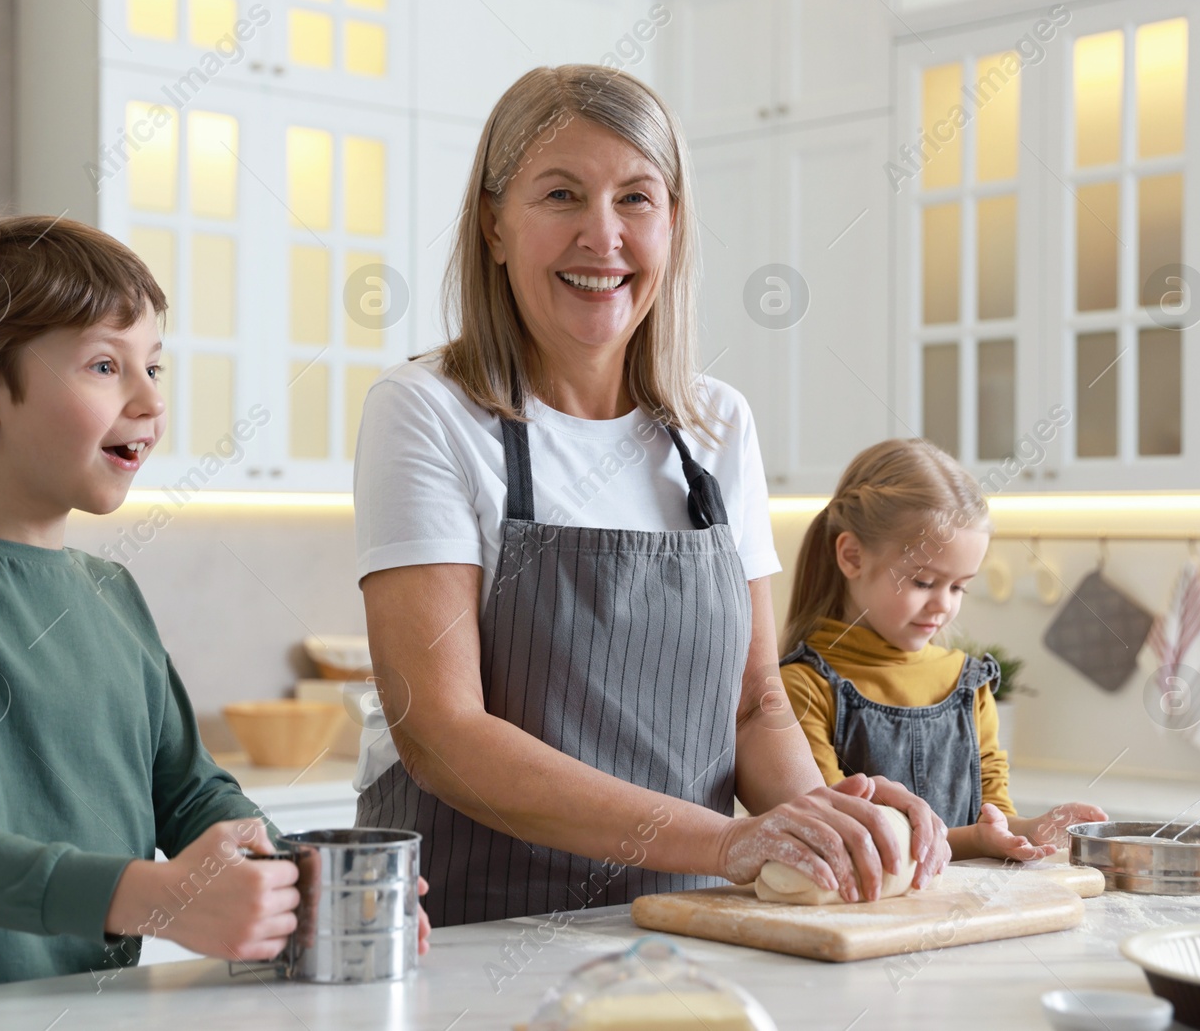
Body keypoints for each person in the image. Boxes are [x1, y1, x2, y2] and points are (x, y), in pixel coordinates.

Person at [351, 65, 951, 927]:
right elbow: (442, 732)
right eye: (561, 194)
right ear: (493, 225)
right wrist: (724, 844)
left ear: (672, 224)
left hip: (691, 936)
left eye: (637, 198)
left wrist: (825, 824)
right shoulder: (428, 411)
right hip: (481, 937)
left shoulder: (715, 425)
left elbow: (754, 704)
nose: (604, 236)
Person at [0, 214, 338, 1002]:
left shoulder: (112, 593)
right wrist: (157, 896)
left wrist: (315, 885)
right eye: (105, 364)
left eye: (155, 368)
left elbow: (190, 791)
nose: (148, 402)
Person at [778, 438, 1107, 860]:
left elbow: (995, 817)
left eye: (959, 586)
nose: (943, 605)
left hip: (965, 913)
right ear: (852, 556)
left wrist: (1034, 829)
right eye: (923, 582)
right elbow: (842, 833)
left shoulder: (969, 682)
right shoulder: (801, 688)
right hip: (868, 917)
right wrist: (977, 841)